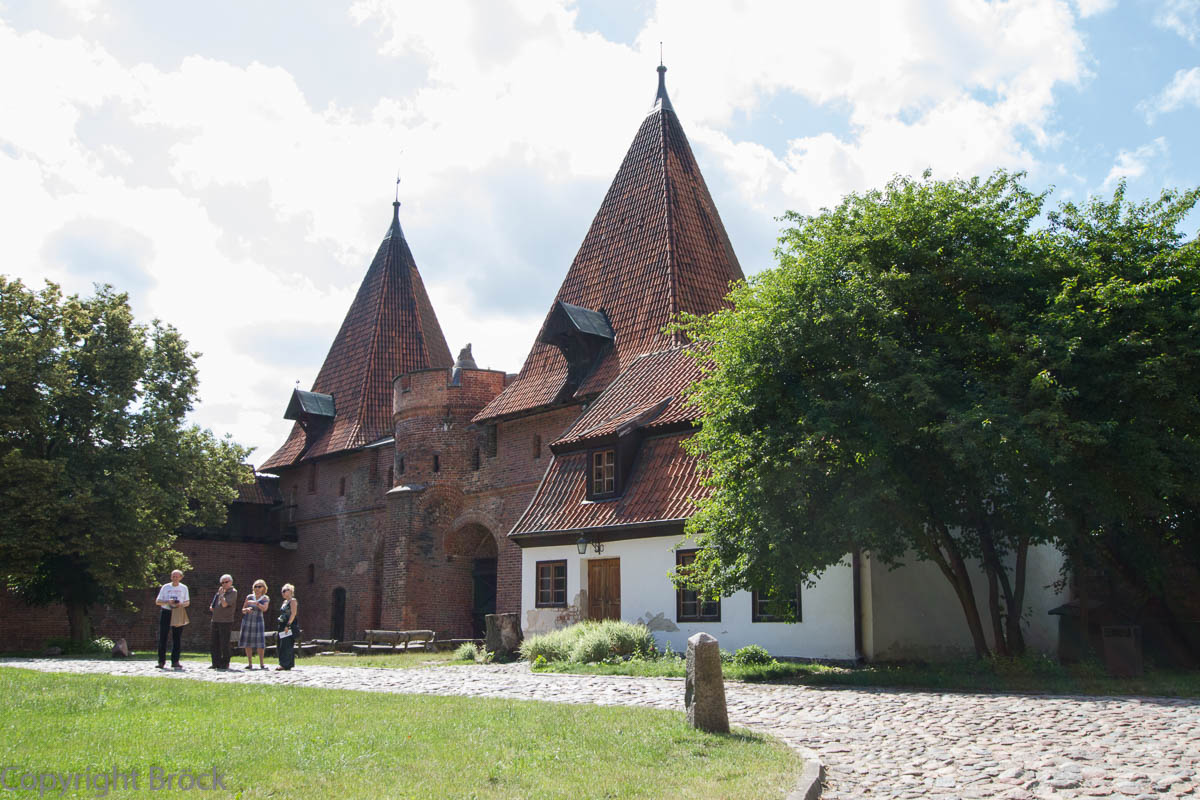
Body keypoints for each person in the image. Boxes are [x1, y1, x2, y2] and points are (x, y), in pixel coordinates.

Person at [154, 569, 190, 670]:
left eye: (177, 576)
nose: (175, 578)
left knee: (177, 637)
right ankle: (161, 661)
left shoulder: (184, 588)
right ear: (171, 577)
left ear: (181, 577)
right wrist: (167, 602)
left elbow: (187, 602)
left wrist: (180, 604)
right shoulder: (166, 587)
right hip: (166, 612)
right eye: (173, 576)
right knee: (163, 637)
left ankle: (175, 661)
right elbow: (158, 601)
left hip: (178, 612)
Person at [237, 579, 270, 670]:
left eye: (259, 586)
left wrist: (256, 603)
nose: (257, 588)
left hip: (258, 621)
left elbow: (264, 609)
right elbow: (242, 609)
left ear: (264, 588)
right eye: (255, 586)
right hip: (248, 620)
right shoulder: (249, 597)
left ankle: (262, 664)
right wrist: (246, 610)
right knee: (248, 642)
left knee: (260, 642)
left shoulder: (265, 598)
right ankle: (250, 663)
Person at [208, 574, 237, 670]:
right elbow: (212, 607)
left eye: (226, 582)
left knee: (224, 643)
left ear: (231, 582)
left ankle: (225, 663)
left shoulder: (233, 592)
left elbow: (224, 605)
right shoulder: (218, 593)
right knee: (214, 643)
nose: (224, 584)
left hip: (226, 621)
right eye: (222, 582)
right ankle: (215, 662)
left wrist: (221, 595)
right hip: (215, 620)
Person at [275, 583, 301, 671]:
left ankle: (285, 664)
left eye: (284, 591)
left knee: (286, 645)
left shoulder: (293, 601)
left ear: (290, 591)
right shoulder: (284, 602)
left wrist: (288, 625)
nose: (283, 593)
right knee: (281, 644)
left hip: (288, 624)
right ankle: (285, 663)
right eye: (282, 591)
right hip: (281, 624)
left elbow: (293, 614)